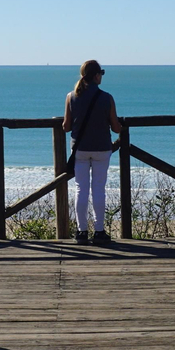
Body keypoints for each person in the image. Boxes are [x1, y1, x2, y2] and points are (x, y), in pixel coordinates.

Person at [62, 59, 123, 245]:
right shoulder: (107, 98)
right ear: (97, 75)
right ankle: (99, 231)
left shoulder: (71, 96)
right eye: (101, 74)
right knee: (99, 189)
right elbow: (116, 128)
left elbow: (66, 127)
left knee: (81, 189)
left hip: (80, 149)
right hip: (102, 149)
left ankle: (81, 232)